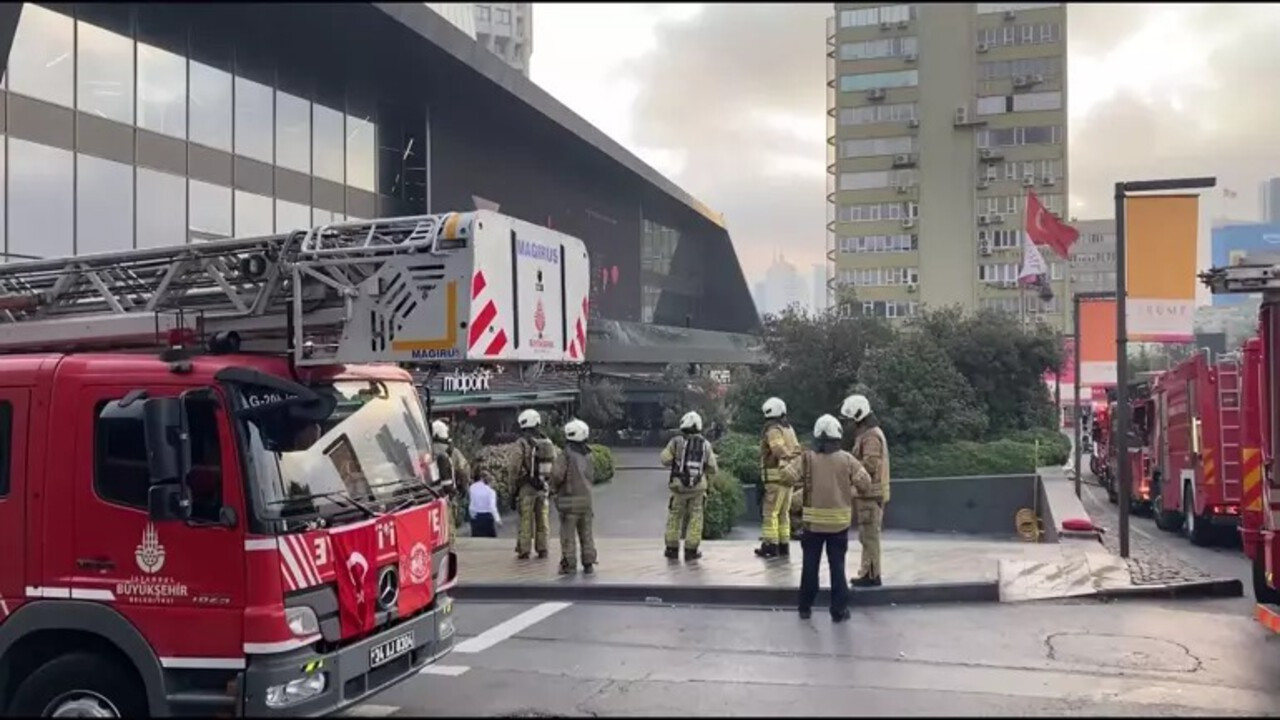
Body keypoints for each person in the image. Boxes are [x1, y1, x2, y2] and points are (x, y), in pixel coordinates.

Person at [790, 414, 873, 622]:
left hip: (812, 525)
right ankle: (838, 611)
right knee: (837, 568)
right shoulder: (847, 459)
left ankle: (805, 607)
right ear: (837, 436)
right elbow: (866, 484)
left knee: (810, 566)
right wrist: (848, 491)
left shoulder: (807, 458)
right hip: (839, 525)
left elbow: (786, 477)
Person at [840, 394, 891, 587]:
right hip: (870, 494)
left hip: (870, 494)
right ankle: (868, 572)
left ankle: (871, 575)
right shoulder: (870, 433)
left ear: (858, 416)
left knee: (869, 536)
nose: (849, 424)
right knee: (866, 535)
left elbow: (869, 464)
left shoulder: (870, 436)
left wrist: (848, 468)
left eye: (850, 419)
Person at [660, 411, 719, 561]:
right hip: (698, 488)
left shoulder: (676, 442)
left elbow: (664, 460)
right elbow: (713, 467)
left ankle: (672, 549)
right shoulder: (705, 445)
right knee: (696, 518)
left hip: (678, 488)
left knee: (675, 516)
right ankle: (691, 550)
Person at [549, 419, 597, 575]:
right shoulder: (589, 455)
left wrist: (552, 489)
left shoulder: (567, 454)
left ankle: (569, 564)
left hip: (569, 502)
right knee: (587, 534)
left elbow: (557, 474)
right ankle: (588, 562)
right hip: (586, 501)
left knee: (568, 535)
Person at [757, 397, 802, 559]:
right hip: (789, 478)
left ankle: (770, 545)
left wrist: (785, 457)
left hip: (775, 479)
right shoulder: (789, 429)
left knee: (770, 513)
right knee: (784, 513)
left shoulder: (773, 430)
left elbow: (776, 448)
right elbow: (797, 449)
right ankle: (784, 545)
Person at [513, 408, 555, 559]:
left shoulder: (522, 443)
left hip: (527, 486)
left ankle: (524, 549)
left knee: (525, 518)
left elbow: (515, 465)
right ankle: (543, 548)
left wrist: (514, 486)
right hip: (543, 485)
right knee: (542, 518)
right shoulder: (547, 441)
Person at [431, 419, 472, 533]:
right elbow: (463, 470)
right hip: (447, 496)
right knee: (449, 527)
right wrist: (463, 487)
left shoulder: (426, 452)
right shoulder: (452, 453)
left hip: (431, 497)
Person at [467, 473, 502, 538]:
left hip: (476, 517)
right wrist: (497, 519)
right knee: (490, 541)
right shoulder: (491, 491)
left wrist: (472, 515)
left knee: (476, 540)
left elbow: (471, 505)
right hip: (487, 518)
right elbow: (492, 507)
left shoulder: (472, 488)